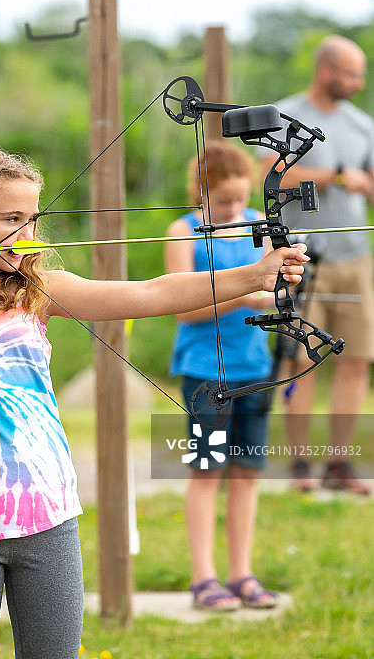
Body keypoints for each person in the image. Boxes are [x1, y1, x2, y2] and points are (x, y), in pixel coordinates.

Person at [0, 147, 307, 658]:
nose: (26, 235)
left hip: (48, 518)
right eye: (10, 219)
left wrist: (253, 276)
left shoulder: (36, 291)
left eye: (32, 220)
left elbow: (152, 293)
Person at [165, 143, 278, 611]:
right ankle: (204, 578)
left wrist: (273, 295)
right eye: (224, 202)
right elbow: (182, 306)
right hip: (205, 375)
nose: (234, 210)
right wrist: (246, 292)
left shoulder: (260, 226)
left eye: (240, 200)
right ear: (200, 192)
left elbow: (275, 291)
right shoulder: (182, 231)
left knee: (247, 474)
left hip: (255, 370)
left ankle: (242, 574)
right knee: (208, 472)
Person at [260, 35, 374, 495]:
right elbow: (270, 171)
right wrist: (337, 177)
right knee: (299, 360)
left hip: (355, 258)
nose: (359, 83)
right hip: (299, 258)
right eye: (351, 73)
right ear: (327, 72)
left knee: (357, 361)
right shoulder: (284, 115)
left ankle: (340, 466)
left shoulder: (362, 124)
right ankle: (299, 466)